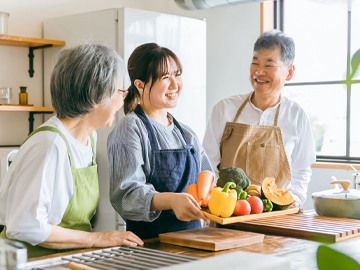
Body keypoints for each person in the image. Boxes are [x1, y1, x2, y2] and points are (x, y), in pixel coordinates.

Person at [0, 43, 143, 258]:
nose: (123, 99)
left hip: (67, 258)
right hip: (30, 262)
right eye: (121, 91)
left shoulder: (89, 139)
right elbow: (24, 226)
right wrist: (97, 239)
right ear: (96, 95)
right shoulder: (49, 145)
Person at [107, 43, 212, 239]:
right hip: (150, 248)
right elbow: (125, 196)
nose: (175, 85)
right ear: (139, 84)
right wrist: (171, 201)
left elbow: (208, 179)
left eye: (177, 74)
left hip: (196, 243)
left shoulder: (186, 134)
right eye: (165, 77)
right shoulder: (130, 129)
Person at [203, 30, 316, 209]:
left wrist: (294, 199)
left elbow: (302, 170)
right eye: (255, 63)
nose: (259, 71)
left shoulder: (297, 116)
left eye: (269, 65)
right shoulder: (224, 109)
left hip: (277, 217)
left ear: (289, 72)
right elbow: (207, 164)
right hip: (228, 214)